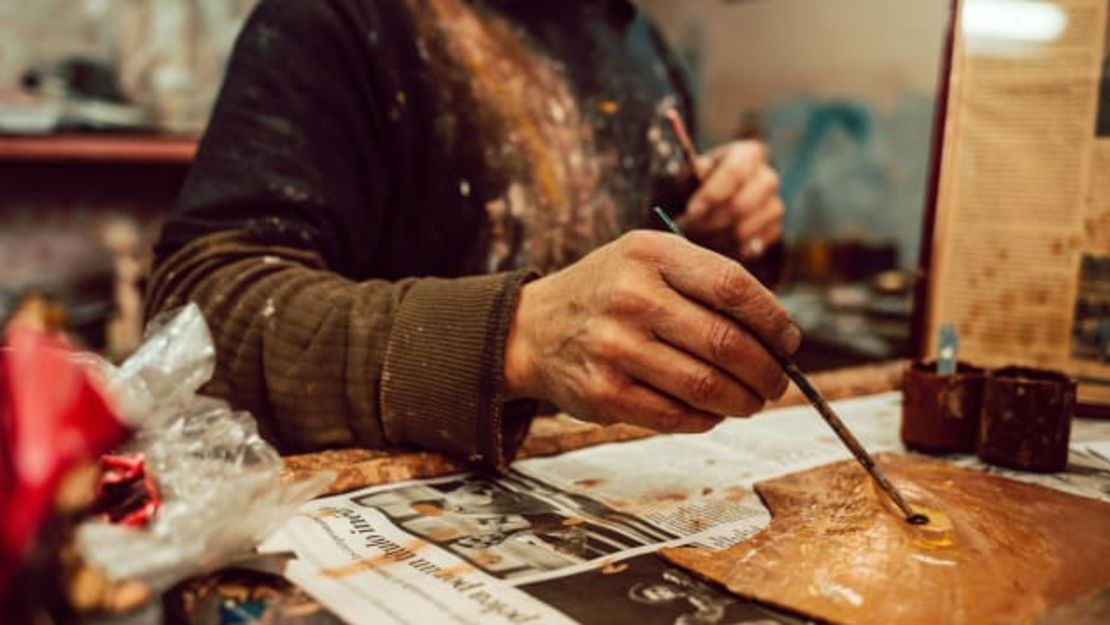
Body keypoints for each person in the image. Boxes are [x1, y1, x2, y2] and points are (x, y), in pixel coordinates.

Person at [146, 0, 797, 471]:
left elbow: (644, 258)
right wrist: (519, 334)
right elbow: (201, 318)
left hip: (621, 482)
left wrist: (722, 227)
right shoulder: (333, 22)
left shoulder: (633, 38)